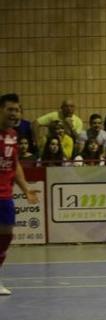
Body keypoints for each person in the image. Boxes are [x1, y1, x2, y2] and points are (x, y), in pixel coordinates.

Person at [0, 93, 40, 295]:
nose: (14, 114)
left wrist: (25, 188)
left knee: (6, 234)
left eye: (17, 110)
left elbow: (14, 163)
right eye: (10, 110)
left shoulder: (13, 135)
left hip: (4, 195)